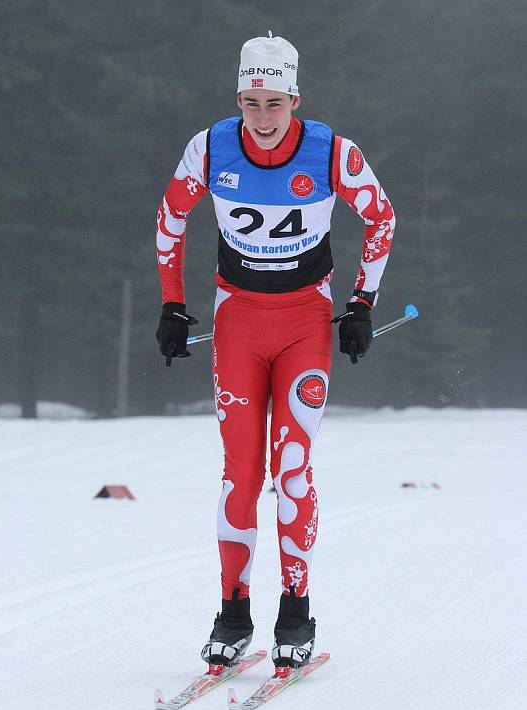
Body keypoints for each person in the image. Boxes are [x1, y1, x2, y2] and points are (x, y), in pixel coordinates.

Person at [155, 33, 395, 669]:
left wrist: (362, 306)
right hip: (237, 322)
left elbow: (383, 218)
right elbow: (170, 219)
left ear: (295, 100)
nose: (262, 119)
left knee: (291, 464)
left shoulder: (332, 152)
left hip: (305, 325)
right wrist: (172, 305)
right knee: (241, 470)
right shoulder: (209, 148)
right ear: (239, 98)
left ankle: (296, 610)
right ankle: (233, 612)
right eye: (251, 103)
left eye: (275, 104)